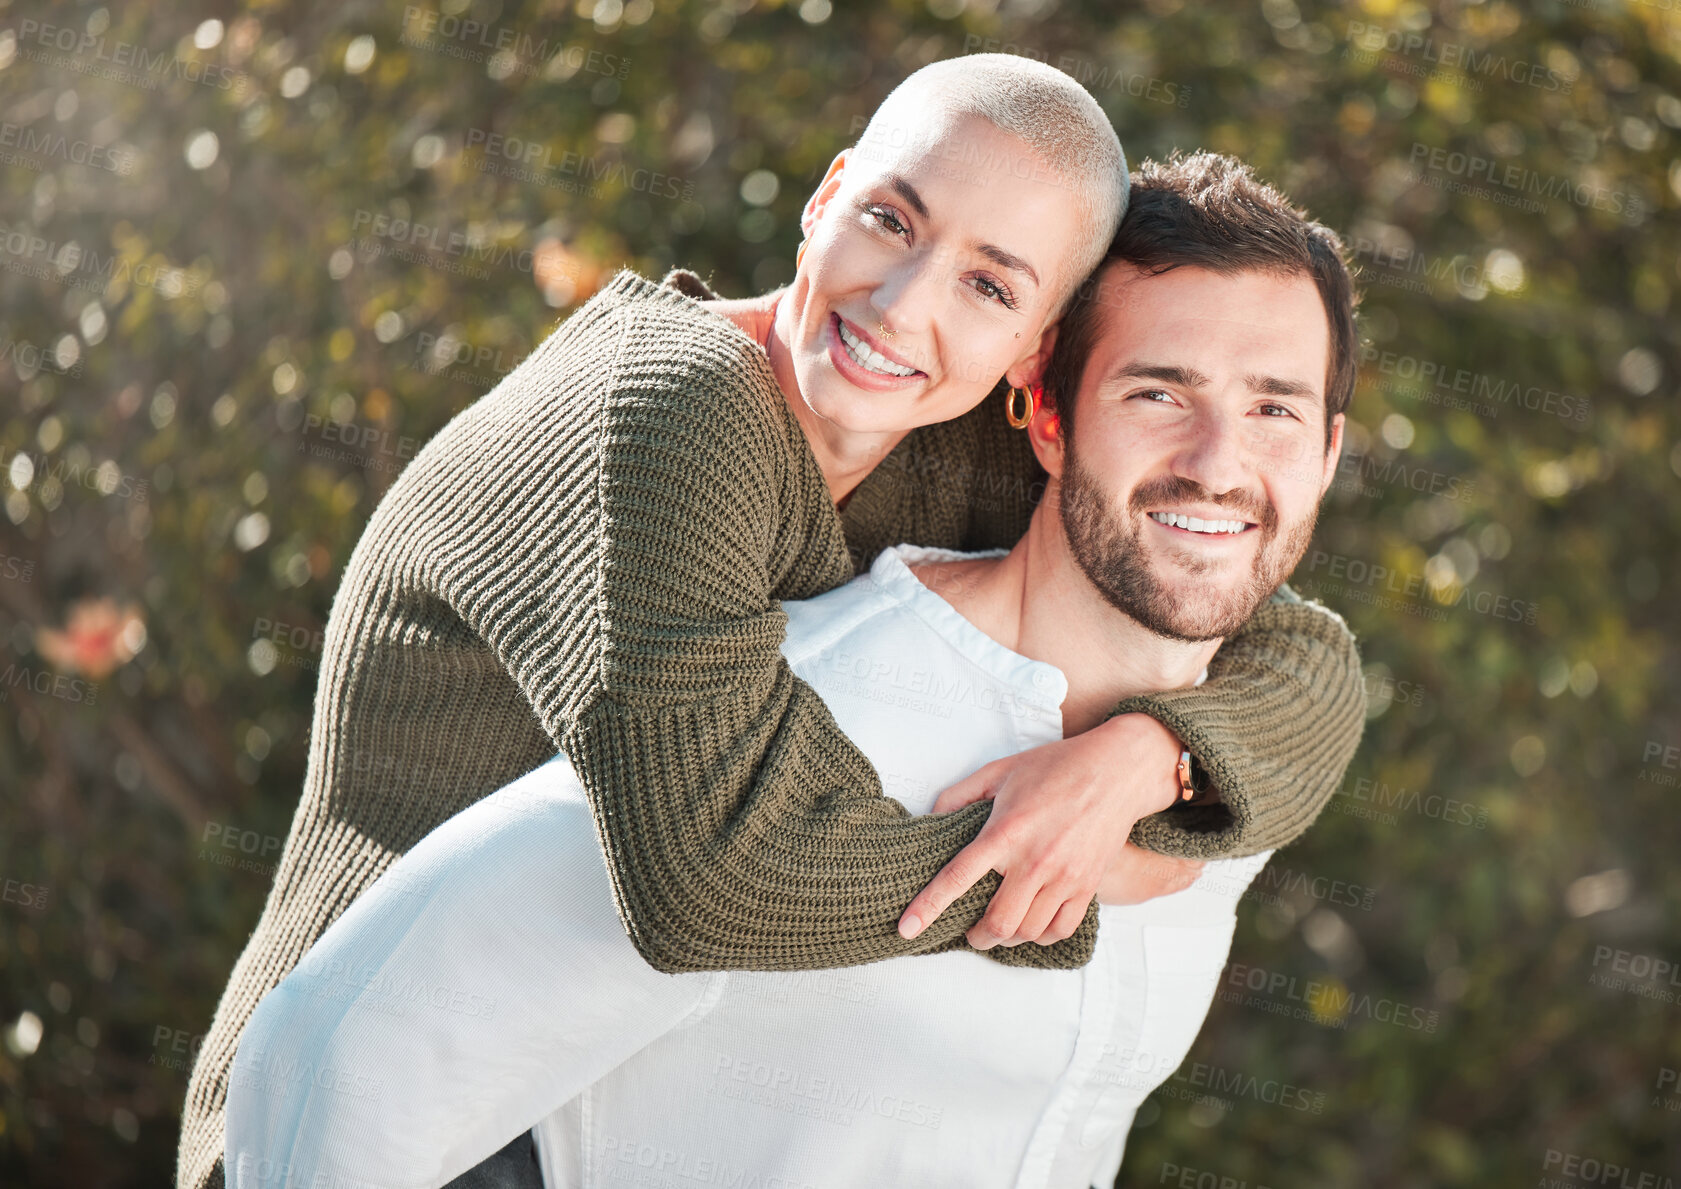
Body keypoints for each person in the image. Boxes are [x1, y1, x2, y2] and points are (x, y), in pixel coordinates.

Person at [181, 57, 1364, 1189]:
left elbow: (1287, 636)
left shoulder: (942, 411)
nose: (905, 305)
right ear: (825, 197)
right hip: (370, 1107)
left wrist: (1139, 759)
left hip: (585, 1080)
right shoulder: (661, 411)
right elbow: (705, 874)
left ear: (1031, 355)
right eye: (892, 222)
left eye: (990, 284)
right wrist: (1062, 872)